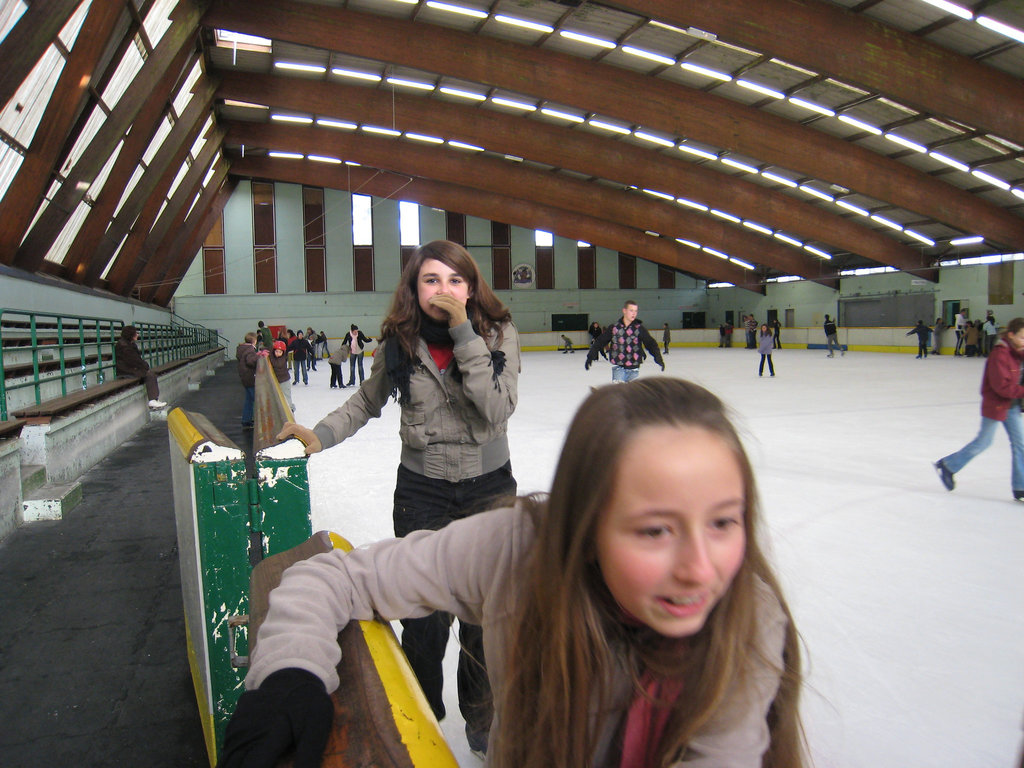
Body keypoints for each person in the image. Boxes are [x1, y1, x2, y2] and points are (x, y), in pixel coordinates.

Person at [223, 378, 806, 768]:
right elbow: (340, 576)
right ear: (584, 522)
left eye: (724, 523)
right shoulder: (512, 551)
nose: (701, 569)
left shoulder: (746, 621)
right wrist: (289, 674)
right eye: (655, 530)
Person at [275, 240, 520, 755]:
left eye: (455, 280)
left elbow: (496, 408)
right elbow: (366, 401)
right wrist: (318, 434)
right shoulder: (400, 342)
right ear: (414, 288)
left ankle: (481, 724)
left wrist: (463, 333)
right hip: (423, 493)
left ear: (471, 288)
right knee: (424, 621)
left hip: (488, 491)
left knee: (485, 621)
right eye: (432, 280)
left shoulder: (497, 334)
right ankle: (421, 724)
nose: (444, 290)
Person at [935, 317, 1024, 502]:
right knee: (983, 443)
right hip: (997, 405)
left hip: (1012, 406)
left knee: (1020, 445)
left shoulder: (1016, 352)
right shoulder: (1000, 355)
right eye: (1022, 337)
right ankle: (948, 465)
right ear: (1011, 335)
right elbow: (1002, 387)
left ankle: (1020, 488)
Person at [585, 300, 664, 383]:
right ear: (624, 311)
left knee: (631, 395)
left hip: (634, 369)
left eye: (635, 311)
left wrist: (658, 357)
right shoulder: (614, 328)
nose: (634, 313)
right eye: (631, 310)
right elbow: (600, 341)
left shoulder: (639, 329)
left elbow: (651, 343)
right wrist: (590, 357)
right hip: (619, 368)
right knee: (619, 394)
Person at [114, 325, 165, 409]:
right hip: (125, 372)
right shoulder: (124, 346)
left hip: (130, 369)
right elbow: (134, 361)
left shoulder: (130, 344)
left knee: (149, 373)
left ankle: (154, 399)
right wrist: (145, 366)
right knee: (150, 375)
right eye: (136, 333)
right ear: (131, 334)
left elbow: (136, 360)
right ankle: (152, 400)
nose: (137, 335)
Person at [236, 332, 264, 429]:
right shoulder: (249, 350)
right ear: (254, 341)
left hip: (245, 377)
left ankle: (246, 419)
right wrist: (259, 355)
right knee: (254, 399)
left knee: (249, 399)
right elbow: (250, 361)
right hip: (250, 377)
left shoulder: (242, 348)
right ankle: (255, 420)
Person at [268, 340, 294, 412]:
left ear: (283, 352)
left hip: (284, 381)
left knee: (286, 397)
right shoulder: (273, 356)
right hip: (277, 380)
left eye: (280, 352)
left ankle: (290, 410)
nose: (278, 354)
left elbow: (277, 364)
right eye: (276, 351)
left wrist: (270, 355)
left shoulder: (282, 358)